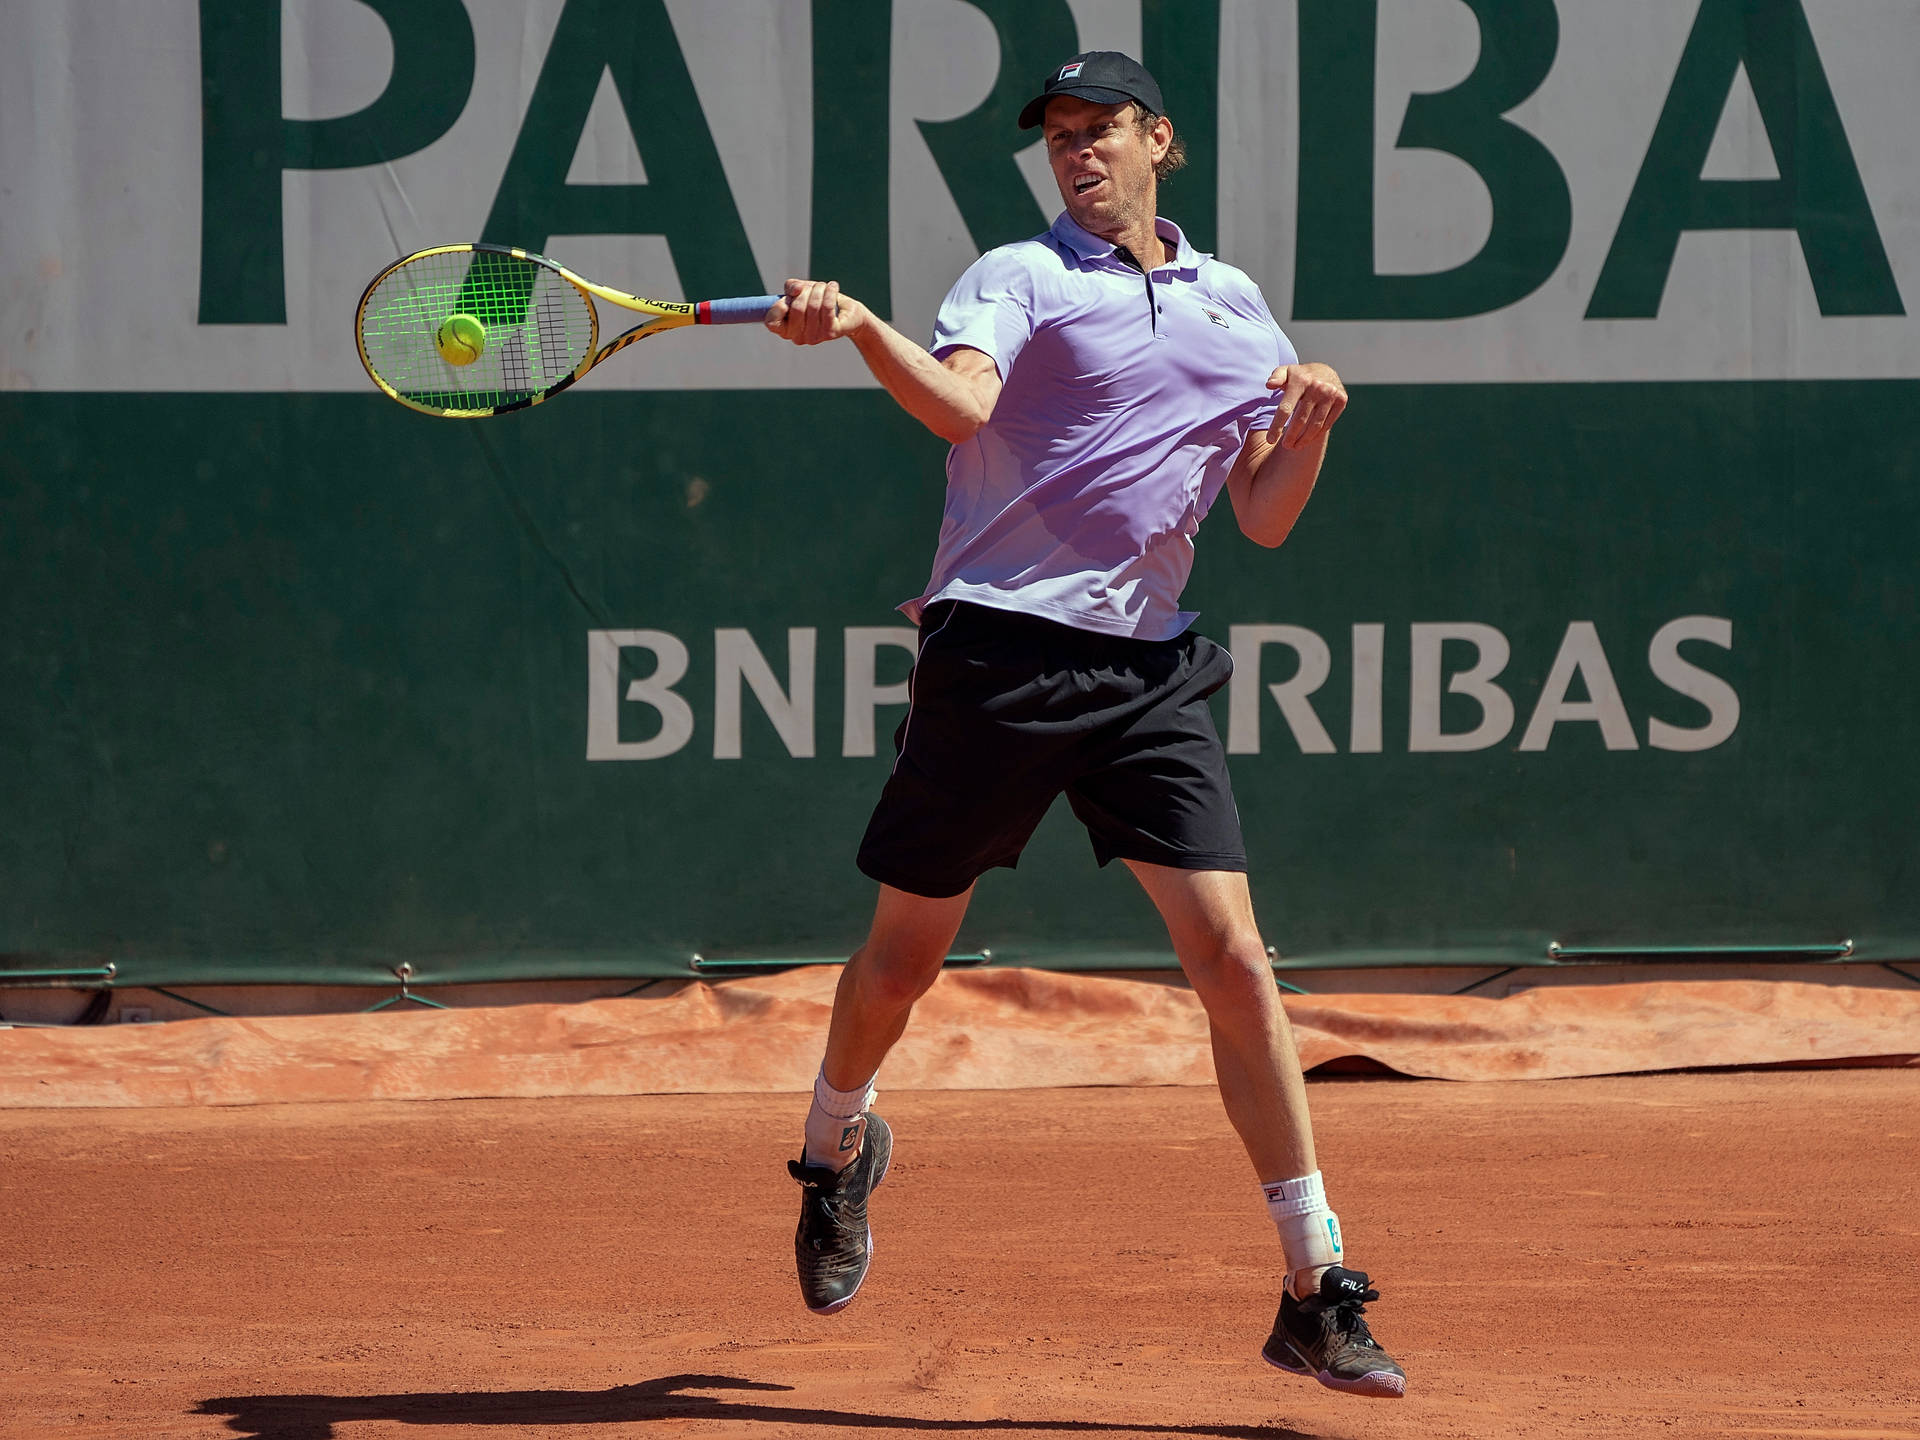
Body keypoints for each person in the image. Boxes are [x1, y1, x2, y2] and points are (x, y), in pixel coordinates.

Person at [760, 51, 1406, 1400]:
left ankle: (1315, 1279)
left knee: (1233, 959)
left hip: (1147, 675)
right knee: (898, 968)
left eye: (1099, 130)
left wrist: (1321, 419)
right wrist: (867, 329)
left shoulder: (1239, 313)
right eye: (1058, 137)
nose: (1077, 153)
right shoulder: (1017, 277)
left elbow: (1266, 517)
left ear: (1159, 141)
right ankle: (834, 1146)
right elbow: (963, 406)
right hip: (995, 649)